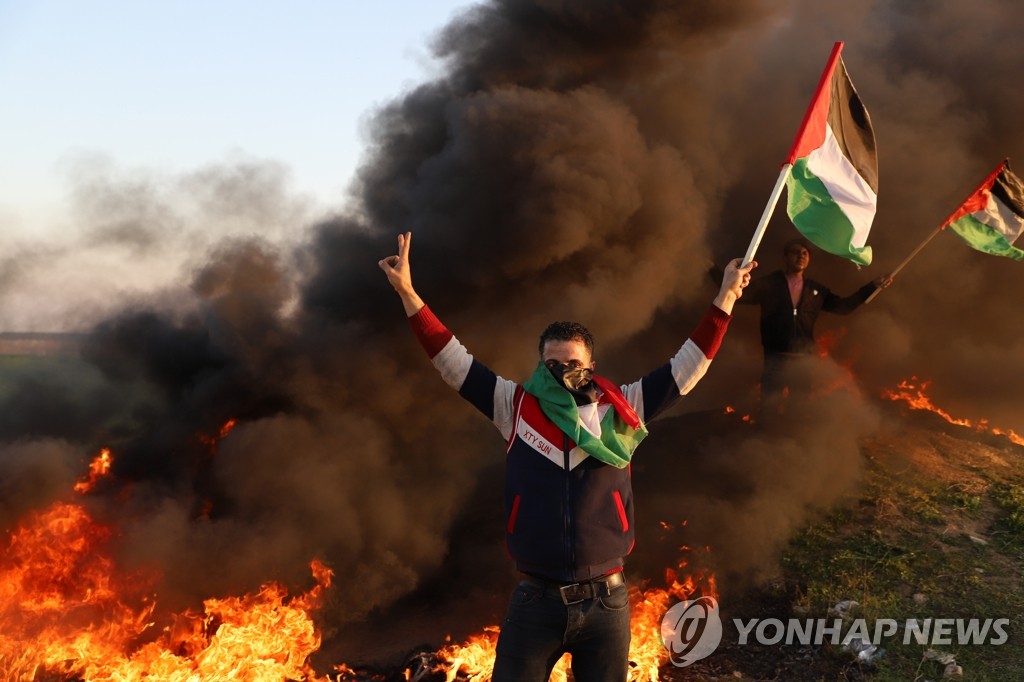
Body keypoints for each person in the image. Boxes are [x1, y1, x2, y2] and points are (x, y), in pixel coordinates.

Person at [379, 231, 753, 682]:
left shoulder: (622, 410)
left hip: (608, 603)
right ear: (540, 365)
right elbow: (452, 360)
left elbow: (687, 367)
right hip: (535, 601)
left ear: (590, 368)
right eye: (551, 364)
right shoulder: (513, 405)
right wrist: (408, 294)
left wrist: (725, 298)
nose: (561, 373)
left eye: (572, 364)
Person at [725, 237, 891, 416]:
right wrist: (712, 270)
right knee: (769, 410)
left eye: (805, 253)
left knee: (799, 411)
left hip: (803, 362)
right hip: (775, 360)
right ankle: (767, 441)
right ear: (786, 257)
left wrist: (871, 287)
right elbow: (738, 294)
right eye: (795, 252)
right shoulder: (771, 284)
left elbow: (843, 307)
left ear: (809, 259)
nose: (800, 256)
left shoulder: (816, 290)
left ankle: (795, 443)